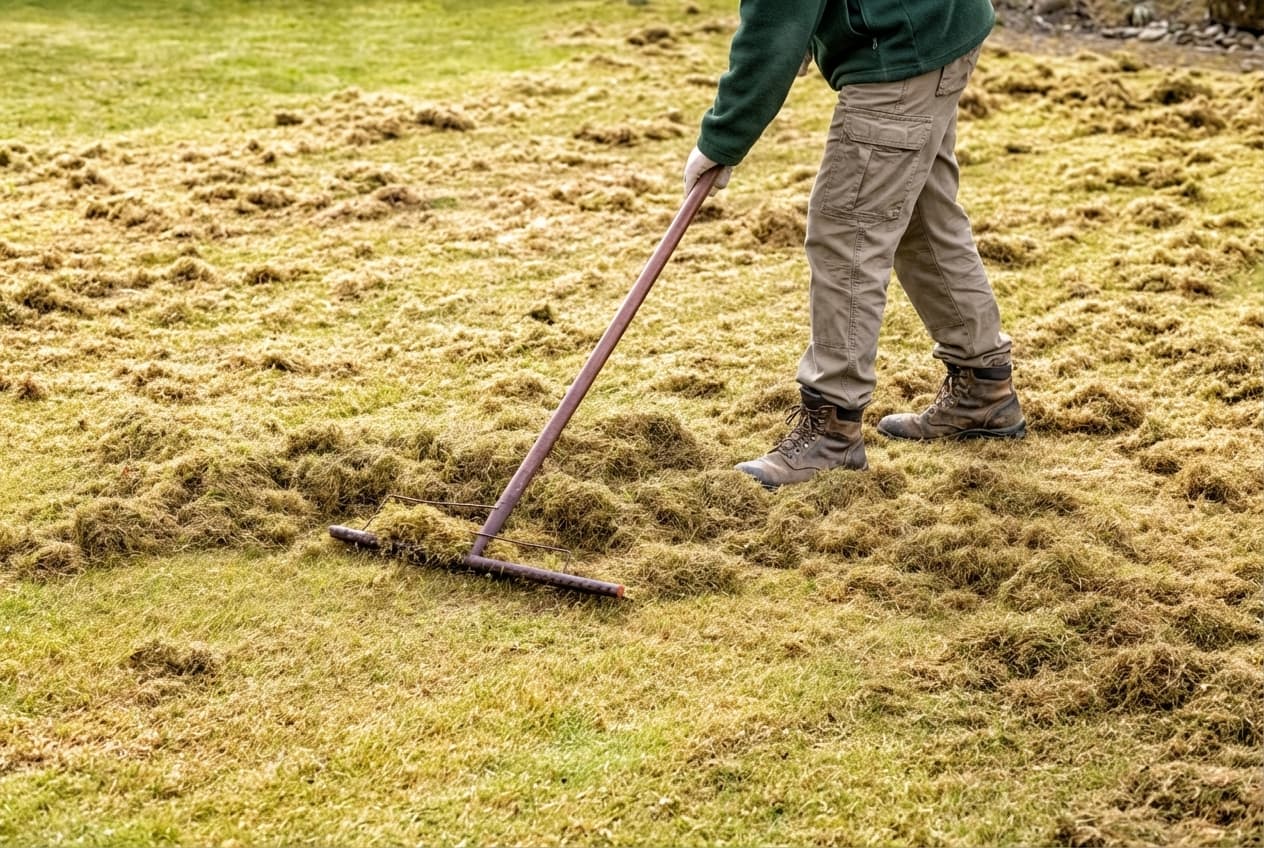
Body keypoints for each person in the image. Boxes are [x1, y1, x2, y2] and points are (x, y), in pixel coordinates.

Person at [683, 0, 1025, 489]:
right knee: (920, 219)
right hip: (933, 27)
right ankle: (983, 390)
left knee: (847, 233)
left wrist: (722, 139)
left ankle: (832, 432)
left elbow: (777, 17)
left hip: (901, 49)